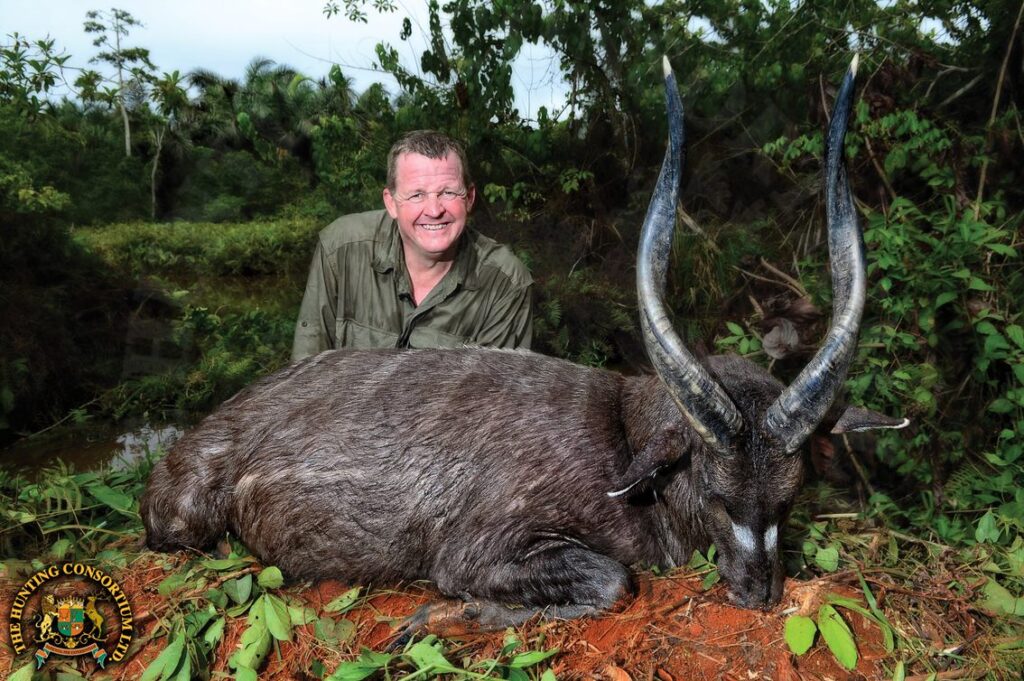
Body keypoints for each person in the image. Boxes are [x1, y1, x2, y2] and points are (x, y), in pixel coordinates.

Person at [291, 130, 533, 361]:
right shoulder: (341, 249)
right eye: (417, 195)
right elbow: (306, 373)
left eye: (448, 192)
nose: (435, 210)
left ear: (469, 198)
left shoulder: (505, 284)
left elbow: (492, 397)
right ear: (391, 202)